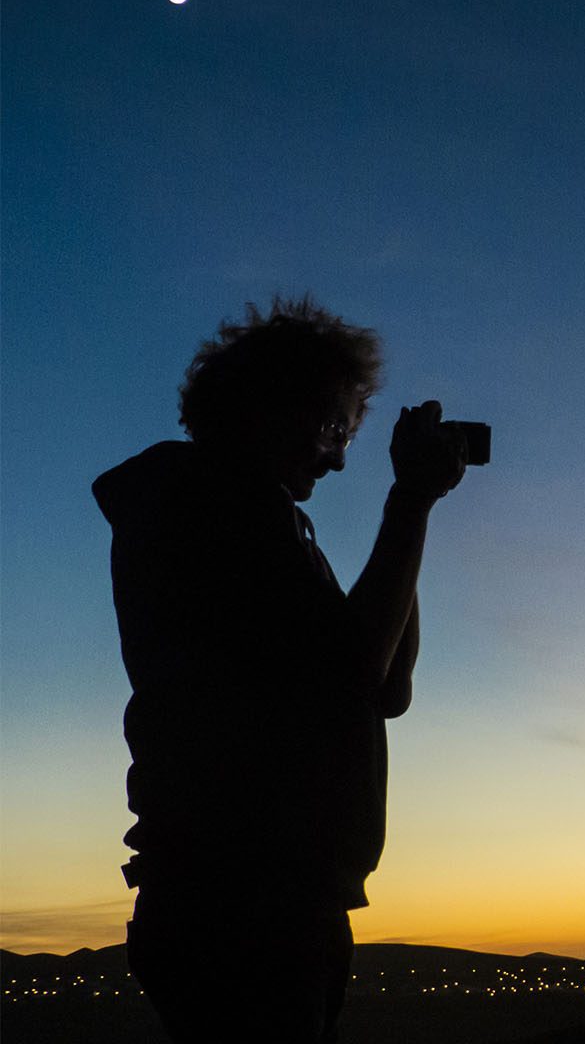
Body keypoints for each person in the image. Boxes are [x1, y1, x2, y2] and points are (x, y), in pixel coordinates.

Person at [92, 295, 467, 1042]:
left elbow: (386, 688)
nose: (336, 456)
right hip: (239, 910)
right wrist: (410, 502)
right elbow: (360, 666)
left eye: (348, 435)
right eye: (333, 427)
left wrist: (410, 515)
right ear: (268, 405)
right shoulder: (203, 507)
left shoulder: (266, 525)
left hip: (282, 901)